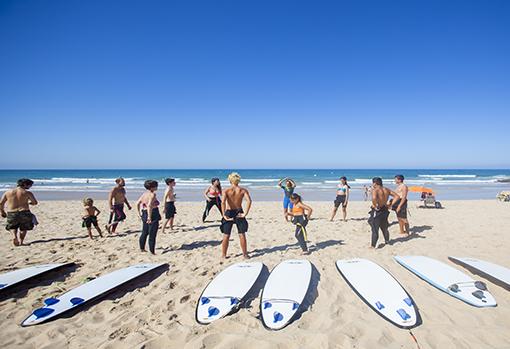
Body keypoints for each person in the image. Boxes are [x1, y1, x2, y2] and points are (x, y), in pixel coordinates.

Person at [220, 172, 252, 259]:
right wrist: (245, 213)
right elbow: (249, 201)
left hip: (229, 212)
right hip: (239, 211)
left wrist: (223, 215)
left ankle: (224, 255)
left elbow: (222, 202)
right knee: (242, 234)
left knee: (226, 235)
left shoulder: (226, 191)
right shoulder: (242, 190)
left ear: (230, 180)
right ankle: (245, 254)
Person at [0, 178, 38, 246]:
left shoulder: (8, 192)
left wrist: (2, 211)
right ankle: (21, 242)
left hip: (12, 212)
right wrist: (30, 203)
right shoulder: (27, 193)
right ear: (24, 184)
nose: (30, 187)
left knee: (12, 227)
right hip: (24, 212)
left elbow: (1, 203)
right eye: (29, 185)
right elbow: (35, 202)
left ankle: (14, 237)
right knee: (24, 228)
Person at [368, 177, 399, 249]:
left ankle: (373, 245)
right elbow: (397, 196)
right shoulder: (386, 189)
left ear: (375, 183)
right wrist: (390, 204)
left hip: (378, 209)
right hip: (385, 209)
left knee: (375, 228)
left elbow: (374, 198)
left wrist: (375, 205)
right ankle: (387, 241)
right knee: (384, 227)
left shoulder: (375, 190)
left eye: (373, 183)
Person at [136, 180, 161, 254]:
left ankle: (142, 248)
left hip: (144, 213)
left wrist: (139, 213)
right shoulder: (152, 194)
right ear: (152, 187)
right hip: (152, 214)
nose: (157, 187)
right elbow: (149, 205)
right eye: (156, 186)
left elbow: (137, 203)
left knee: (144, 232)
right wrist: (149, 217)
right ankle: (152, 251)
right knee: (152, 234)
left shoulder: (144, 194)